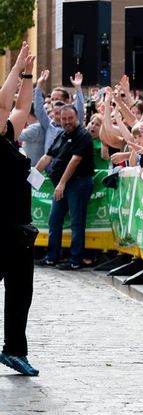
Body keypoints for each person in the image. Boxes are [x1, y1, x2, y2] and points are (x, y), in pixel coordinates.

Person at [0, 43, 40, 377]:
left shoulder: (9, 135)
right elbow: (5, 102)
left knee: (20, 293)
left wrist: (27, 73)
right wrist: (15, 68)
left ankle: (14, 351)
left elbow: (22, 105)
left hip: (19, 231)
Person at [35, 103, 96, 270]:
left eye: (70, 118)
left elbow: (75, 161)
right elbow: (47, 157)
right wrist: (31, 177)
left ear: (76, 117)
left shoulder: (83, 135)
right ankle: (51, 257)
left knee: (77, 221)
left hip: (78, 183)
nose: (67, 121)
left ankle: (76, 260)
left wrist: (62, 183)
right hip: (62, 185)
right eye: (64, 119)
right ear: (59, 119)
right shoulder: (61, 135)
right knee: (54, 220)